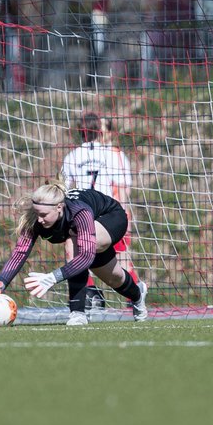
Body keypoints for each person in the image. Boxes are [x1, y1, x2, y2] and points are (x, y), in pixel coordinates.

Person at [0, 183, 147, 327]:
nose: (39, 219)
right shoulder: (35, 219)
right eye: (37, 213)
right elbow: (19, 253)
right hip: (86, 235)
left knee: (73, 242)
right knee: (114, 278)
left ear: (59, 207)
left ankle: (77, 313)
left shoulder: (79, 212)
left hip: (111, 217)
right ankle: (138, 294)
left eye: (43, 215)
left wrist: (52, 277)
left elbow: (86, 256)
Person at [61, 111, 137, 309]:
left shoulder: (72, 156)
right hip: (109, 213)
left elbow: (65, 189)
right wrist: (124, 215)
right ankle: (134, 298)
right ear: (99, 131)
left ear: (80, 132)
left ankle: (91, 294)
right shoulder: (113, 154)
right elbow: (122, 187)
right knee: (122, 259)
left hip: (83, 213)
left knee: (76, 253)